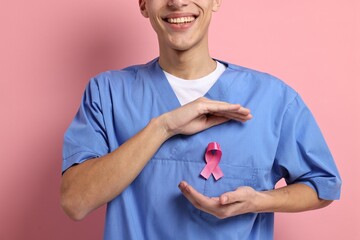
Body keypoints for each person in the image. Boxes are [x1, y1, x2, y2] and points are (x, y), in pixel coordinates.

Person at [60, 0, 342, 239]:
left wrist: (259, 201)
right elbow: (75, 203)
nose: (176, 1)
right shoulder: (108, 93)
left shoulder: (272, 98)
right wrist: (164, 127)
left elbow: (323, 185)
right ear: (143, 4)